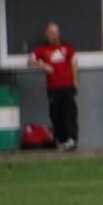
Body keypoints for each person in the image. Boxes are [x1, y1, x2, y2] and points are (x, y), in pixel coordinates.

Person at [29, 21, 80, 152]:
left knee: (70, 113)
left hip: (67, 85)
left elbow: (74, 65)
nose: (53, 36)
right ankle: (62, 140)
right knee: (56, 114)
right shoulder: (42, 50)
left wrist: (75, 82)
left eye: (55, 33)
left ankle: (72, 139)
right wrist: (43, 65)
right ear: (46, 35)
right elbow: (30, 62)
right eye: (51, 33)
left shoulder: (67, 48)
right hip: (53, 87)